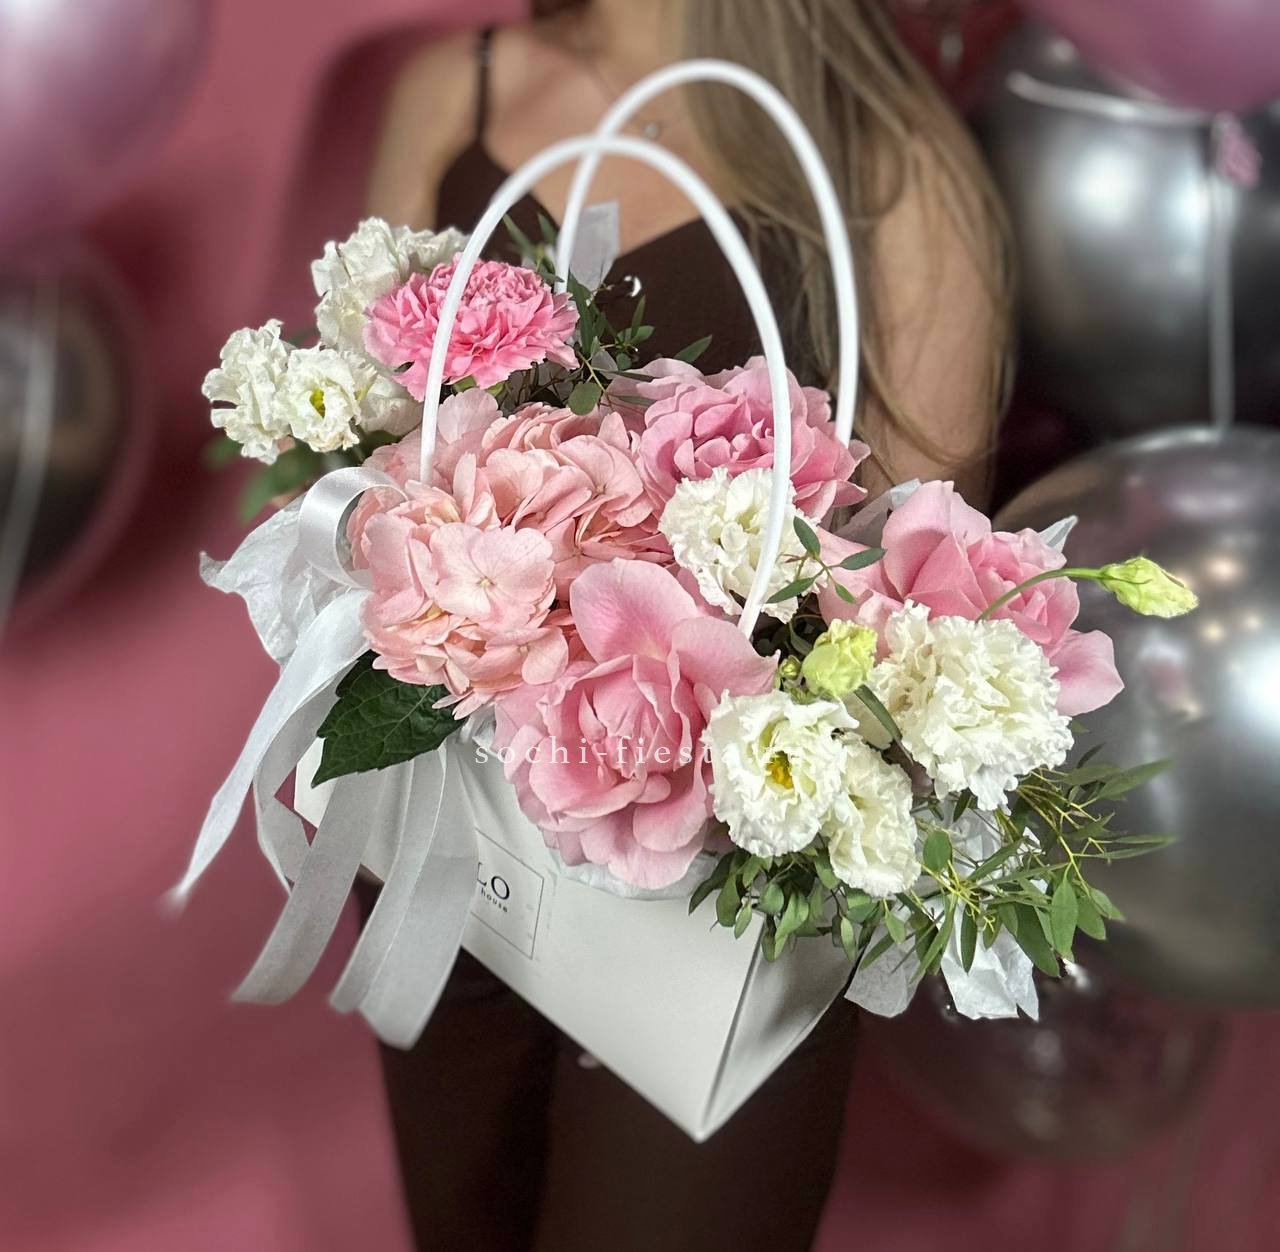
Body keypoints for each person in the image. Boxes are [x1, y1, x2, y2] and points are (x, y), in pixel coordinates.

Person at [354, 2, 1011, 1248]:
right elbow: (360, 474)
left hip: (716, 906)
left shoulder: (885, 162)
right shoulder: (450, 92)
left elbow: (913, 613)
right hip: (455, 851)